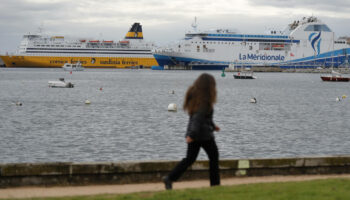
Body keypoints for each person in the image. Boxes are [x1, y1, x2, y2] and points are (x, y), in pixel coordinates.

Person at [163, 73, 220, 190]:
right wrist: (192, 135)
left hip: (196, 133)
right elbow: (197, 118)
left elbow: (203, 118)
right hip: (203, 136)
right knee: (214, 157)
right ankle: (215, 185)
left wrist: (213, 126)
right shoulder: (204, 101)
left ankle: (170, 178)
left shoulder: (196, 98)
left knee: (189, 159)